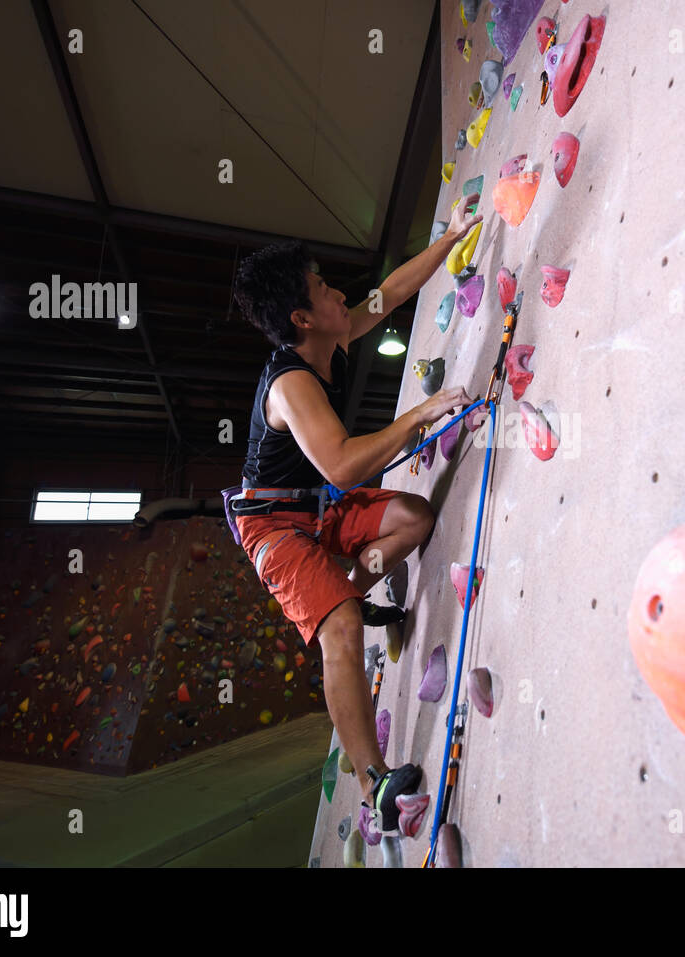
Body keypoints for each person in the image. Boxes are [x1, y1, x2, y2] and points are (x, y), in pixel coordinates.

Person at [231, 196, 480, 834]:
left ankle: (349, 587)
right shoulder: (290, 383)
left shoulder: (332, 334)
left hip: (317, 510)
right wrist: (419, 414)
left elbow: (389, 294)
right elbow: (342, 465)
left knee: (413, 519)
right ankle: (376, 787)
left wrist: (451, 236)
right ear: (300, 318)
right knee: (340, 627)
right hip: (272, 526)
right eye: (322, 289)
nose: (338, 292)